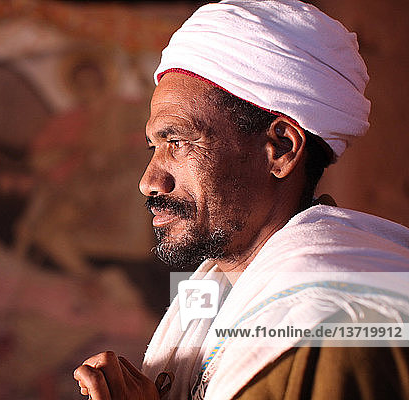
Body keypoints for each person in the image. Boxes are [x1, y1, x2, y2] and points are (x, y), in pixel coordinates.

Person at [73, 0, 409, 399]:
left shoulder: (333, 324)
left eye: (178, 142)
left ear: (280, 149)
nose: (149, 182)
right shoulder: (229, 295)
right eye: (154, 148)